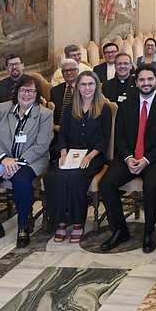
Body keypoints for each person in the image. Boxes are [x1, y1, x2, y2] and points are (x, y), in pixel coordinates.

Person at [98, 63, 156, 253]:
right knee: (106, 183)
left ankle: (149, 232)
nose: (146, 83)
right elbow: (120, 136)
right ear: (136, 82)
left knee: (151, 185)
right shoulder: (127, 105)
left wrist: (146, 159)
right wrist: (127, 158)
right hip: (129, 156)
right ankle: (119, 230)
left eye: (150, 79)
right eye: (142, 79)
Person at [0, 75, 54, 248]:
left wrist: (15, 163)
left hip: (31, 161)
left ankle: (23, 225)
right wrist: (3, 159)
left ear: (37, 94)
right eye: (23, 90)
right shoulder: (2, 109)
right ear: (17, 92)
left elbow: (41, 145)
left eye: (31, 91)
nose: (26, 94)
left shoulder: (45, 115)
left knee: (22, 182)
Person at [43, 71, 111, 243]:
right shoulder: (69, 108)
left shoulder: (104, 108)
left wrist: (90, 156)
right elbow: (62, 134)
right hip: (70, 154)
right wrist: (63, 152)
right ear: (78, 87)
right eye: (83, 84)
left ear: (96, 86)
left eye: (90, 84)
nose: (87, 88)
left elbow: (104, 139)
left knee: (74, 178)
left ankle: (78, 222)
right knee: (54, 177)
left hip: (93, 156)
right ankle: (60, 222)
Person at [48, 58, 81, 126]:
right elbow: (52, 113)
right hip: (58, 129)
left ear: (77, 71)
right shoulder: (55, 91)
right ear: (62, 73)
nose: (68, 73)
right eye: (65, 71)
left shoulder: (84, 89)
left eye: (71, 70)